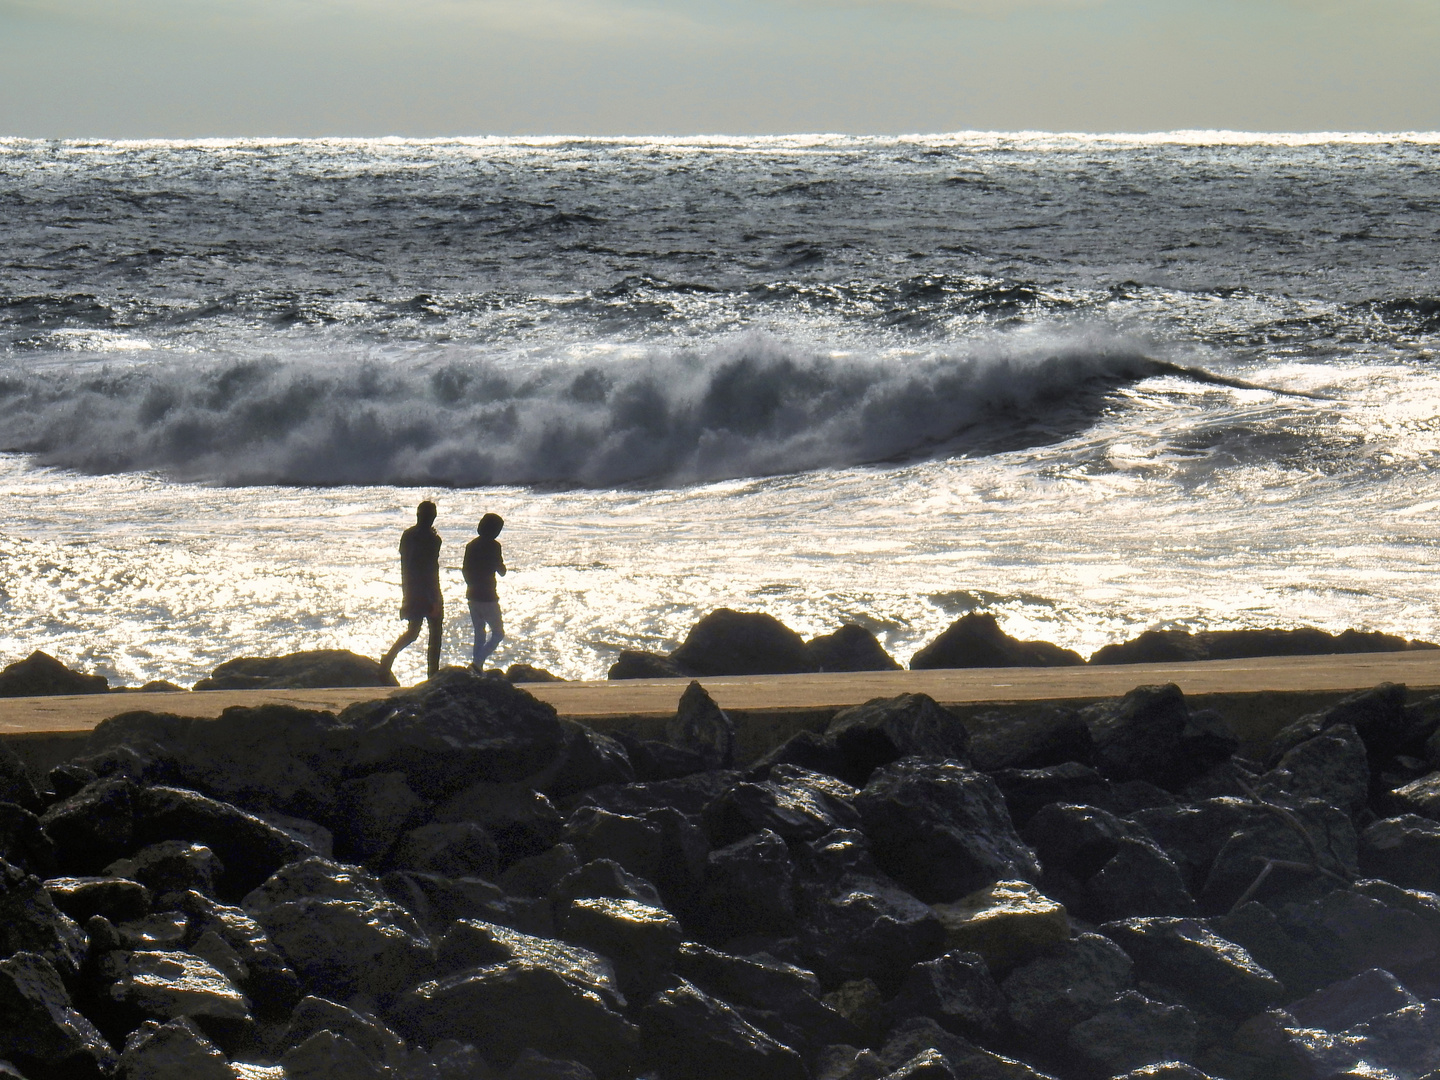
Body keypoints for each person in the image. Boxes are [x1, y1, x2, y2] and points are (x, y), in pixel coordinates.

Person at [380, 500, 444, 679]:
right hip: (428, 590)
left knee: (413, 632)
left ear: (418, 515)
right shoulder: (432, 540)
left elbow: (407, 561)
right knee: (435, 634)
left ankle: (388, 658)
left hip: (411, 589)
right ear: (433, 517)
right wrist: (434, 599)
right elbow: (431, 569)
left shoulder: (407, 535)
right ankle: (433, 674)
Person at [463, 512, 507, 671]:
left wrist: (471, 584)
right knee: (498, 633)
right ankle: (477, 664)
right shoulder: (494, 546)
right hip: (488, 596)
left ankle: (477, 666)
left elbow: (465, 570)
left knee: (479, 632)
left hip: (472, 594)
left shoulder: (471, 545)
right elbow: (501, 570)